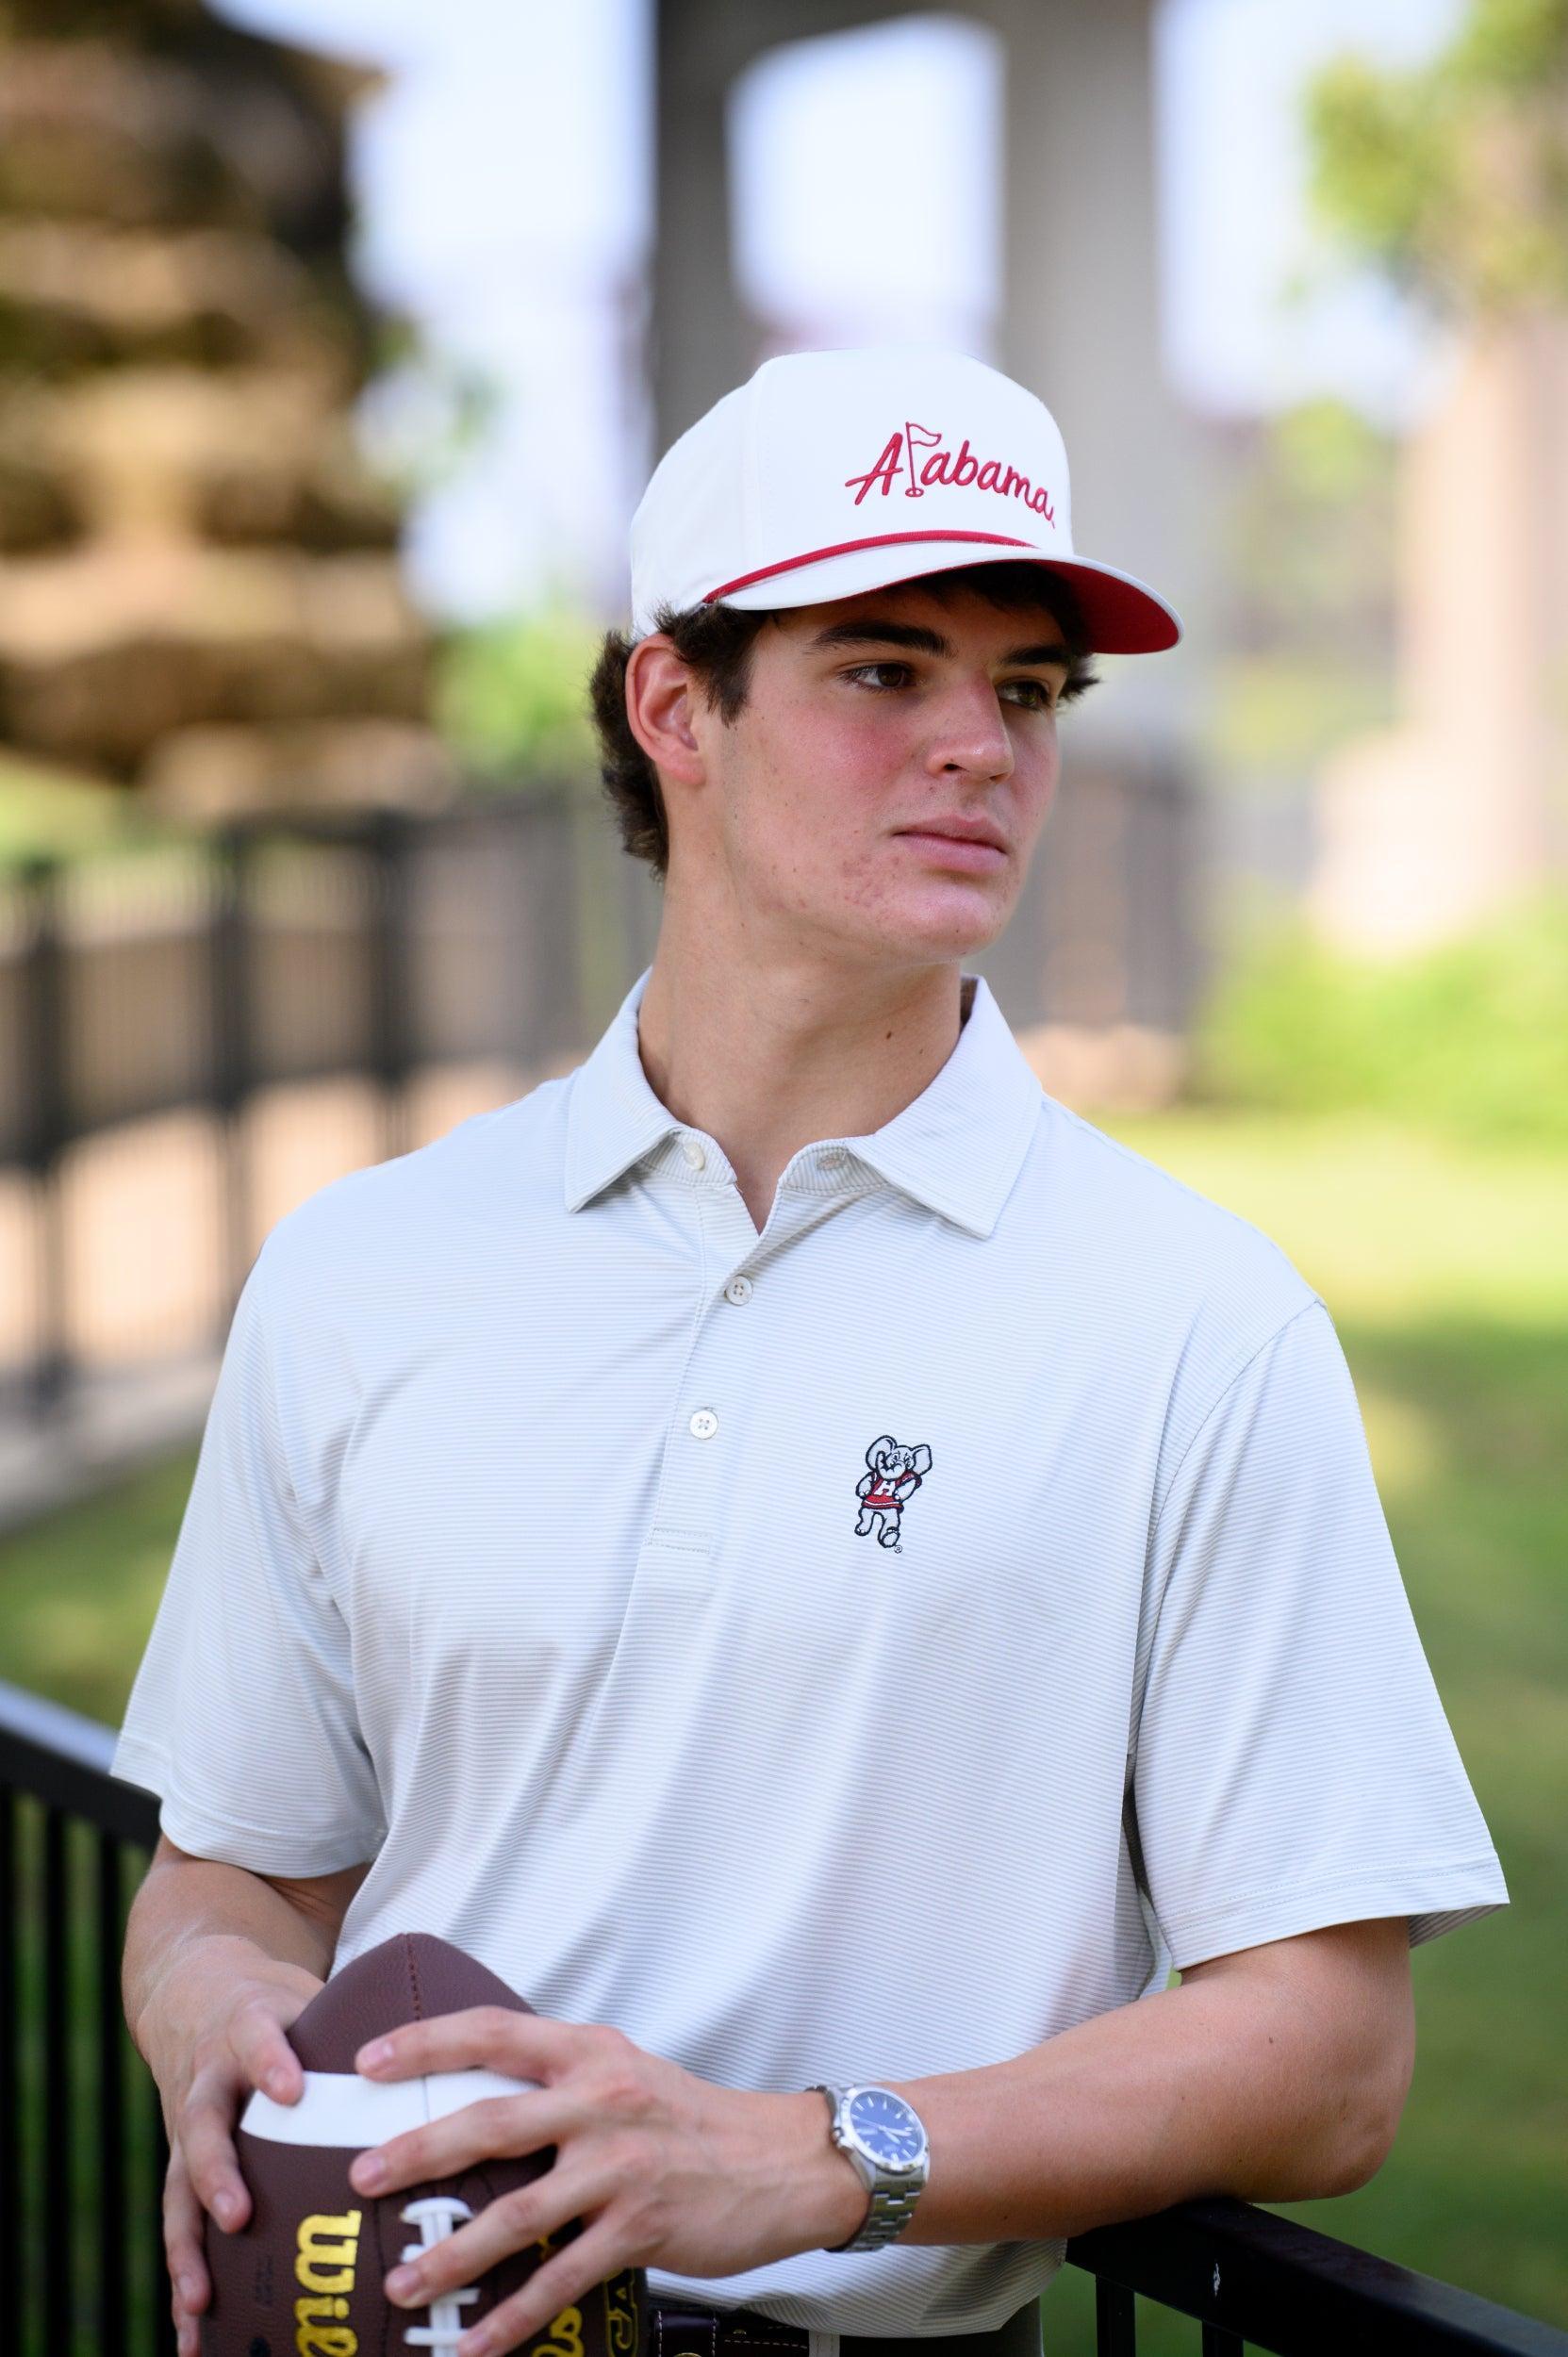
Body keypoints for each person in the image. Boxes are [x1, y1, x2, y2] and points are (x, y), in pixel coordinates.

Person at [112, 345, 1509, 2357]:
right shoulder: (362, 1271)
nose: (983, 745)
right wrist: (211, 2011)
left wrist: (821, 2149)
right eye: (885, 670)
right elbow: (228, 1873)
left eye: (1025, 688)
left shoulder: (1197, 1321)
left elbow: (1330, 2047)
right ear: (674, 703)